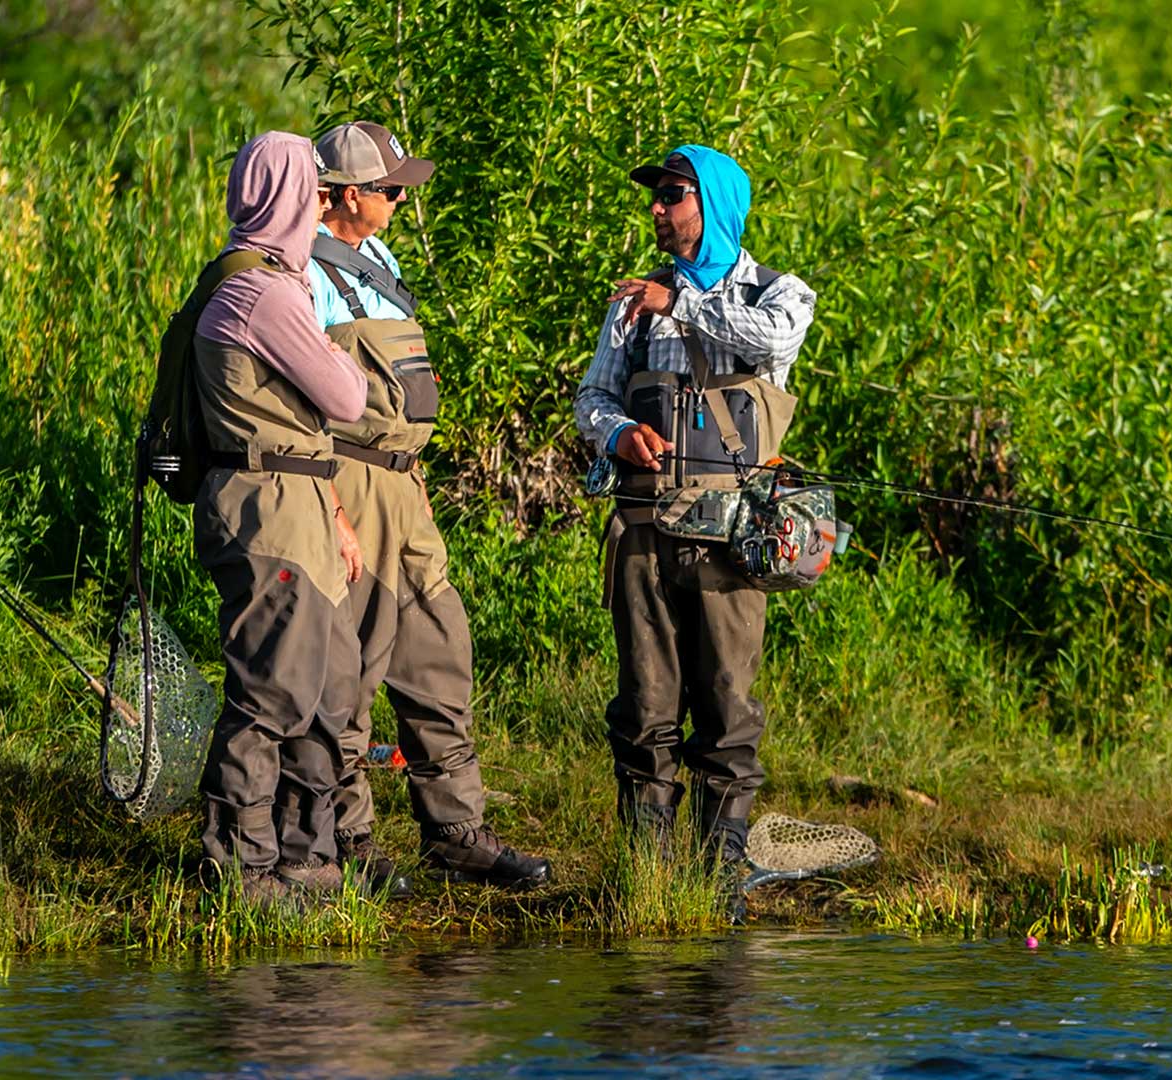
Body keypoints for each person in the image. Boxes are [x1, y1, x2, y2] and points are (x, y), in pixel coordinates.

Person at [307, 121, 551, 891]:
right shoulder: (299, 270)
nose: (401, 200)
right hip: (346, 483)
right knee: (348, 670)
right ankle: (347, 846)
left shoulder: (380, 256)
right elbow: (296, 406)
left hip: (405, 486)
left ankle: (456, 834)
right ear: (349, 195)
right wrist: (333, 513)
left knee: (441, 650)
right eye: (389, 189)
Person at [572, 144, 817, 862]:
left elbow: (775, 339)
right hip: (644, 527)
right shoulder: (633, 304)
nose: (657, 208)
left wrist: (680, 303)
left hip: (735, 537)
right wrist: (617, 434)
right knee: (644, 706)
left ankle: (721, 868)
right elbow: (592, 397)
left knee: (727, 705)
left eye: (673, 194)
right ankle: (647, 873)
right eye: (656, 195)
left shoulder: (778, 292)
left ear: (712, 204)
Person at [190, 130, 371, 901]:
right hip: (268, 512)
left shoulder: (261, 280)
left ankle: (309, 856)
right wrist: (345, 357)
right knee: (271, 693)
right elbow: (348, 398)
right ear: (293, 196)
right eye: (316, 190)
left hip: (298, 502)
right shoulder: (261, 292)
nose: (325, 203)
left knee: (329, 688)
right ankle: (239, 862)